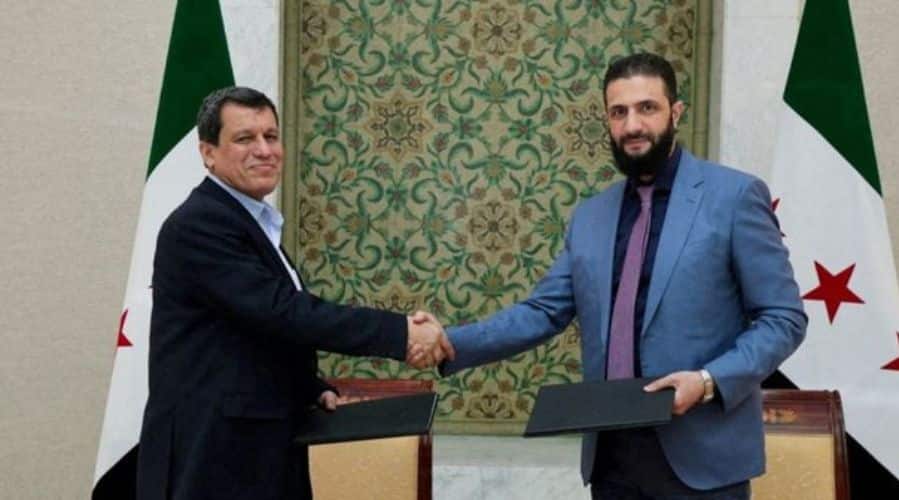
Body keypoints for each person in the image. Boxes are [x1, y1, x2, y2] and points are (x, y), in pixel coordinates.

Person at [431, 53, 807, 499]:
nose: (632, 125)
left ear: (676, 112)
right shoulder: (591, 216)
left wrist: (707, 381)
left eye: (647, 108)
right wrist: (447, 342)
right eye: (619, 112)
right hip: (612, 461)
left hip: (703, 461)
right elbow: (543, 311)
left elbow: (783, 318)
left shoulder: (735, 196)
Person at [135, 86, 452, 500]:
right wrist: (401, 333)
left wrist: (309, 387)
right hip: (215, 456)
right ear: (208, 153)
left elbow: (254, 335)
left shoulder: (248, 220)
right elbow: (283, 312)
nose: (264, 150)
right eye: (245, 138)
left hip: (261, 447)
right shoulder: (200, 225)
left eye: (271, 136)